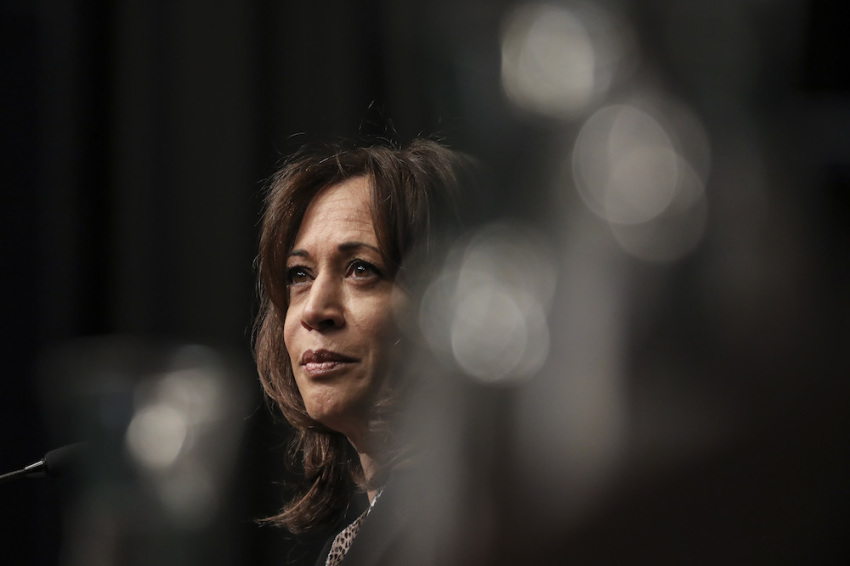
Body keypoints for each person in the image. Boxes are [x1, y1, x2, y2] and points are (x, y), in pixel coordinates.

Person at [254, 138, 479, 565]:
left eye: (361, 269)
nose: (314, 310)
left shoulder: (477, 525)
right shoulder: (351, 546)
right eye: (299, 274)